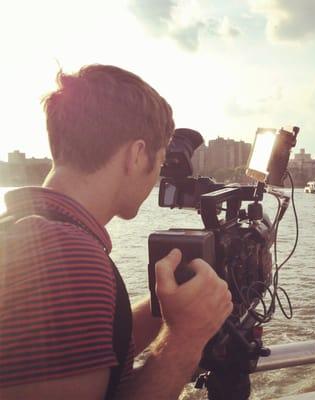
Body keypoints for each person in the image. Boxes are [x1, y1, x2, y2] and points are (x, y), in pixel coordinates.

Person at [0, 64, 233, 399]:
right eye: (160, 160)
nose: (157, 178)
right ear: (138, 154)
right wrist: (185, 339)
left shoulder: (29, 227)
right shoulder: (67, 256)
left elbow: (90, 341)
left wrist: (171, 306)